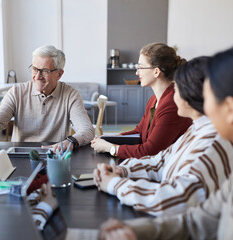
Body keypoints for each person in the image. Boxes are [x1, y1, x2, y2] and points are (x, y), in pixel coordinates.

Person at [98, 47, 233, 240]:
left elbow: (179, 199)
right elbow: (161, 161)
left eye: (209, 93)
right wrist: (122, 171)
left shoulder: (214, 144)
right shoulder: (197, 130)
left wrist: (115, 184)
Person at [0, 45, 94, 152]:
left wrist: (70, 141)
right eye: (34, 69)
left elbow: (87, 130)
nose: (37, 76)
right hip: (20, 157)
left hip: (55, 157)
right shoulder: (17, 92)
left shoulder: (70, 95)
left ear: (59, 74)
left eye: (44, 71)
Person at [91, 43, 192, 159]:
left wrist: (110, 148)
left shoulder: (172, 104)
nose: (137, 72)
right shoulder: (154, 100)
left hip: (166, 169)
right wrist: (109, 139)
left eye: (141, 67)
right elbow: (139, 131)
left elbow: (150, 151)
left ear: (156, 72)